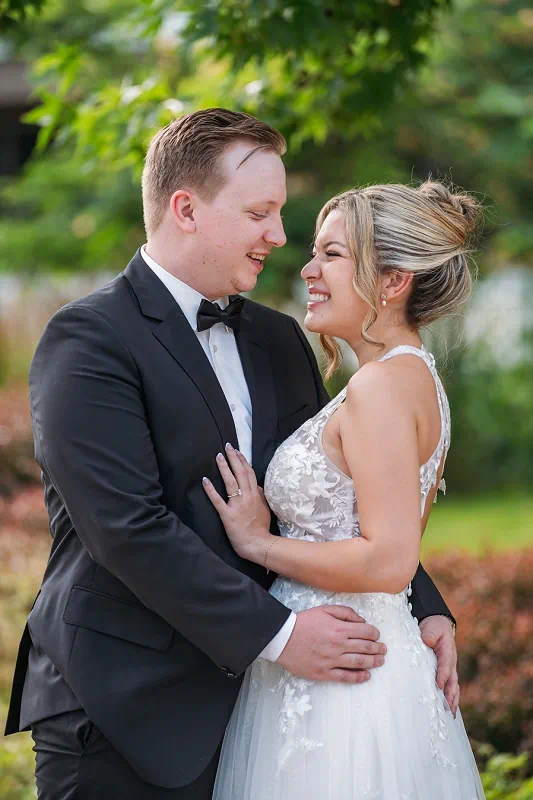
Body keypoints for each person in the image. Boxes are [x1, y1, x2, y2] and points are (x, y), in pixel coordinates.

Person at [5, 109, 456, 799]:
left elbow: (336, 498)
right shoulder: (88, 340)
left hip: (266, 713)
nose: (278, 236)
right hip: (124, 710)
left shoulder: (279, 340)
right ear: (185, 209)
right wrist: (278, 634)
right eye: (259, 213)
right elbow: (124, 527)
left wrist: (421, 605)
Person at [205, 182, 486, 798]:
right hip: (352, 653)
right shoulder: (413, 378)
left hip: (343, 678)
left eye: (331, 254)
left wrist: (258, 543)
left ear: (392, 281)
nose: (308, 269)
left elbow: (388, 559)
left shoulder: (381, 388)